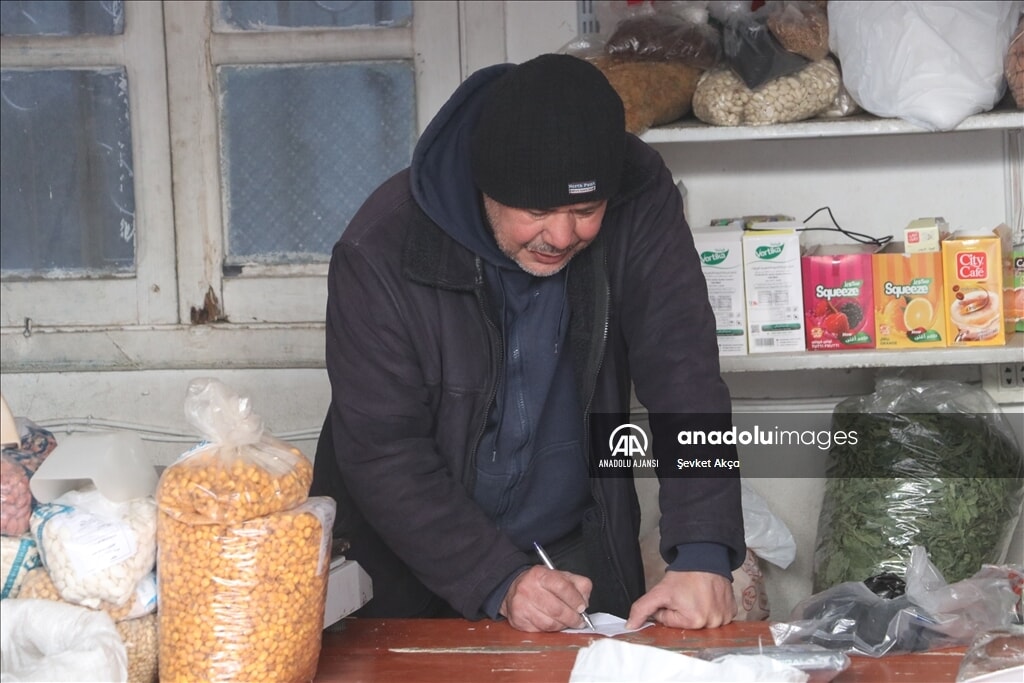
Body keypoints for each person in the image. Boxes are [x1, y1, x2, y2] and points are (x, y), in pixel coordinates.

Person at [311, 53, 745, 633]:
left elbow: (683, 371)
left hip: (564, 550)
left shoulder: (638, 197)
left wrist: (703, 549)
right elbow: (384, 451)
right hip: (403, 556)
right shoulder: (380, 250)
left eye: (586, 210)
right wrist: (498, 579)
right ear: (484, 185)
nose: (563, 236)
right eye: (538, 210)